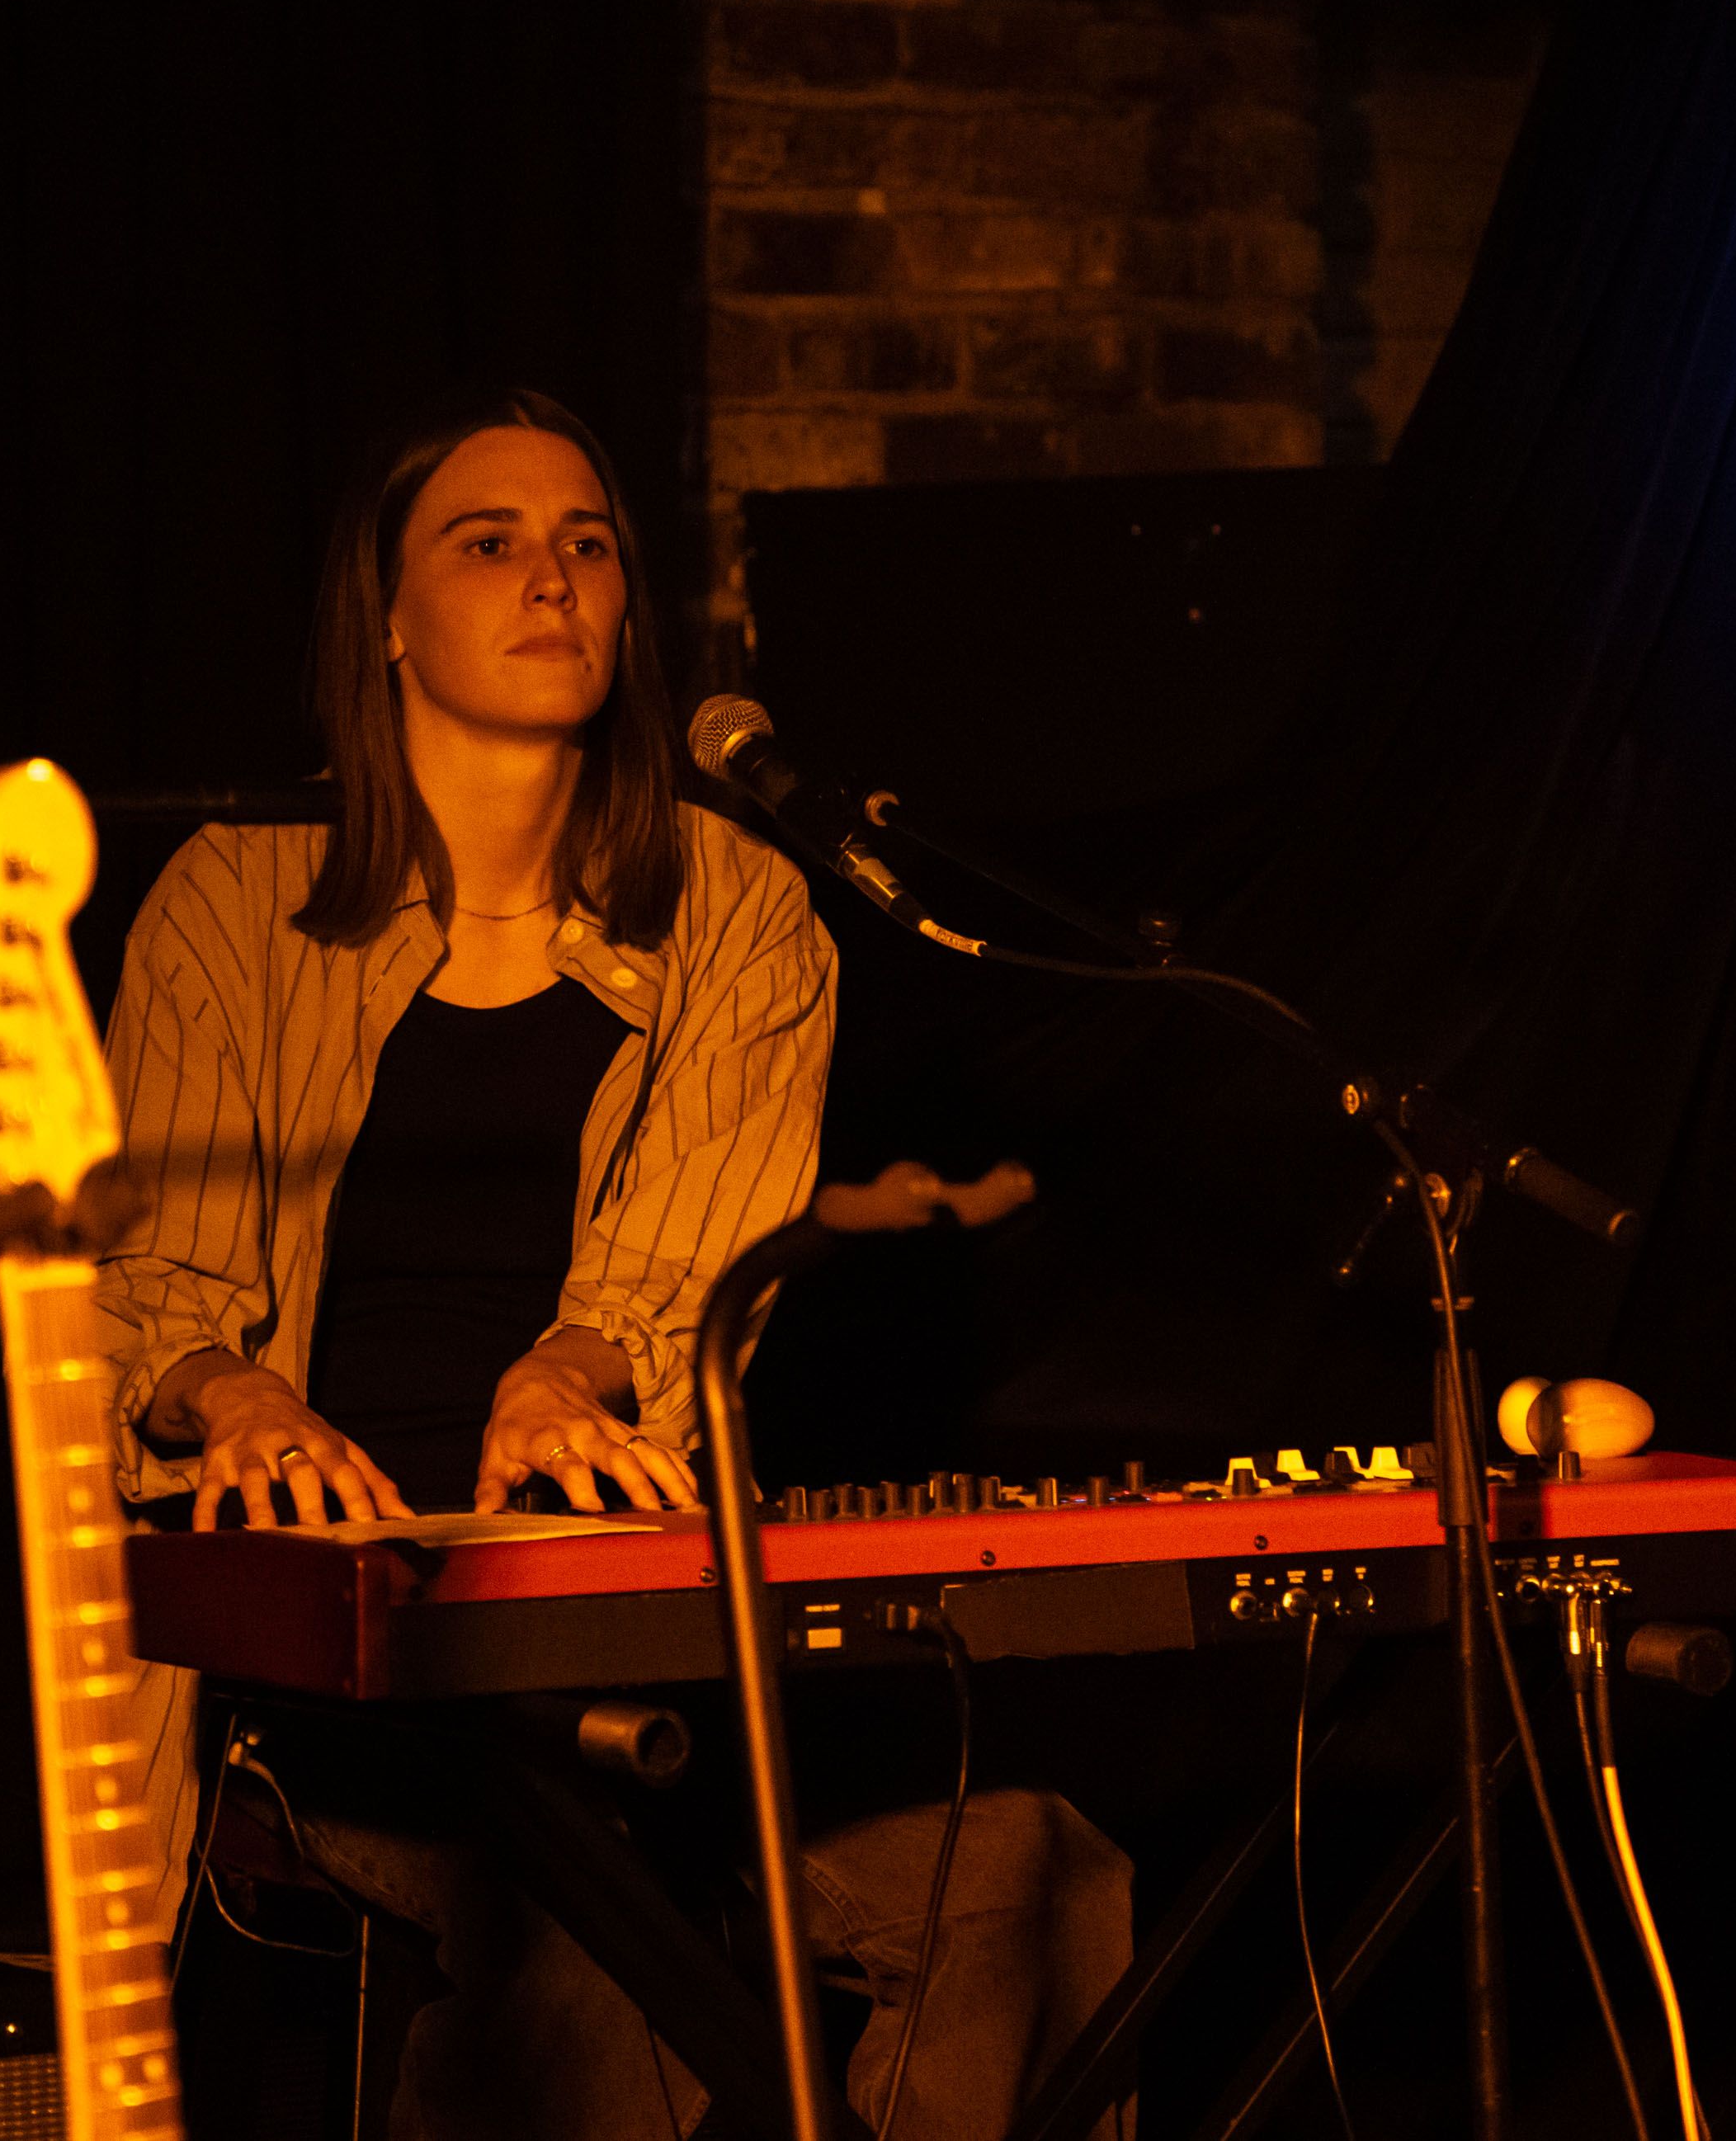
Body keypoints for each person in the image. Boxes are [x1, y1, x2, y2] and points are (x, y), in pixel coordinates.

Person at [93, 388, 1129, 2139]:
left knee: (1024, 1869)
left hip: (610, 1621)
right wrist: (241, 1399)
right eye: (487, 541)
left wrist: (567, 1374)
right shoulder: (236, 893)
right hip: (334, 1647)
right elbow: (149, 1293)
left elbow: (678, 1270)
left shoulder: (740, 908)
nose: (551, 577)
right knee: (583, 1951)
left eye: (587, 544)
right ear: (386, 617)